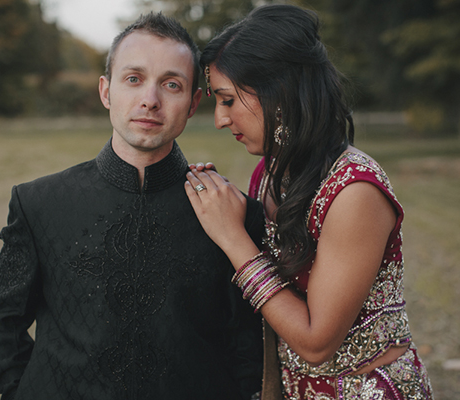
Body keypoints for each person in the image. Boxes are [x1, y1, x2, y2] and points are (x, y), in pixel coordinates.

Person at [0, 13, 264, 400]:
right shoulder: (38, 203)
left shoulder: (233, 212)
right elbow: (0, 322)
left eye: (171, 84)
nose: (150, 100)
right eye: (133, 79)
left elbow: (247, 342)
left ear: (194, 101)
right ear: (106, 91)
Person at [184, 5, 435, 400]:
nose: (219, 118)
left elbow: (317, 344)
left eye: (228, 100)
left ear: (279, 93)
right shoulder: (269, 173)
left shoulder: (354, 193)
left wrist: (233, 237)